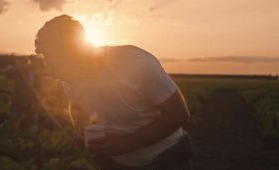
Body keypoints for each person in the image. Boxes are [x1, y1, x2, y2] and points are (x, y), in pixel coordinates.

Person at [34, 15, 192, 170]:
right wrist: (79, 132)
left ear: (74, 54)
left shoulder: (135, 61)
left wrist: (127, 143)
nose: (54, 74)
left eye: (56, 64)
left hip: (166, 158)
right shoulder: (69, 77)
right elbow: (76, 107)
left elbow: (178, 114)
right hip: (113, 162)